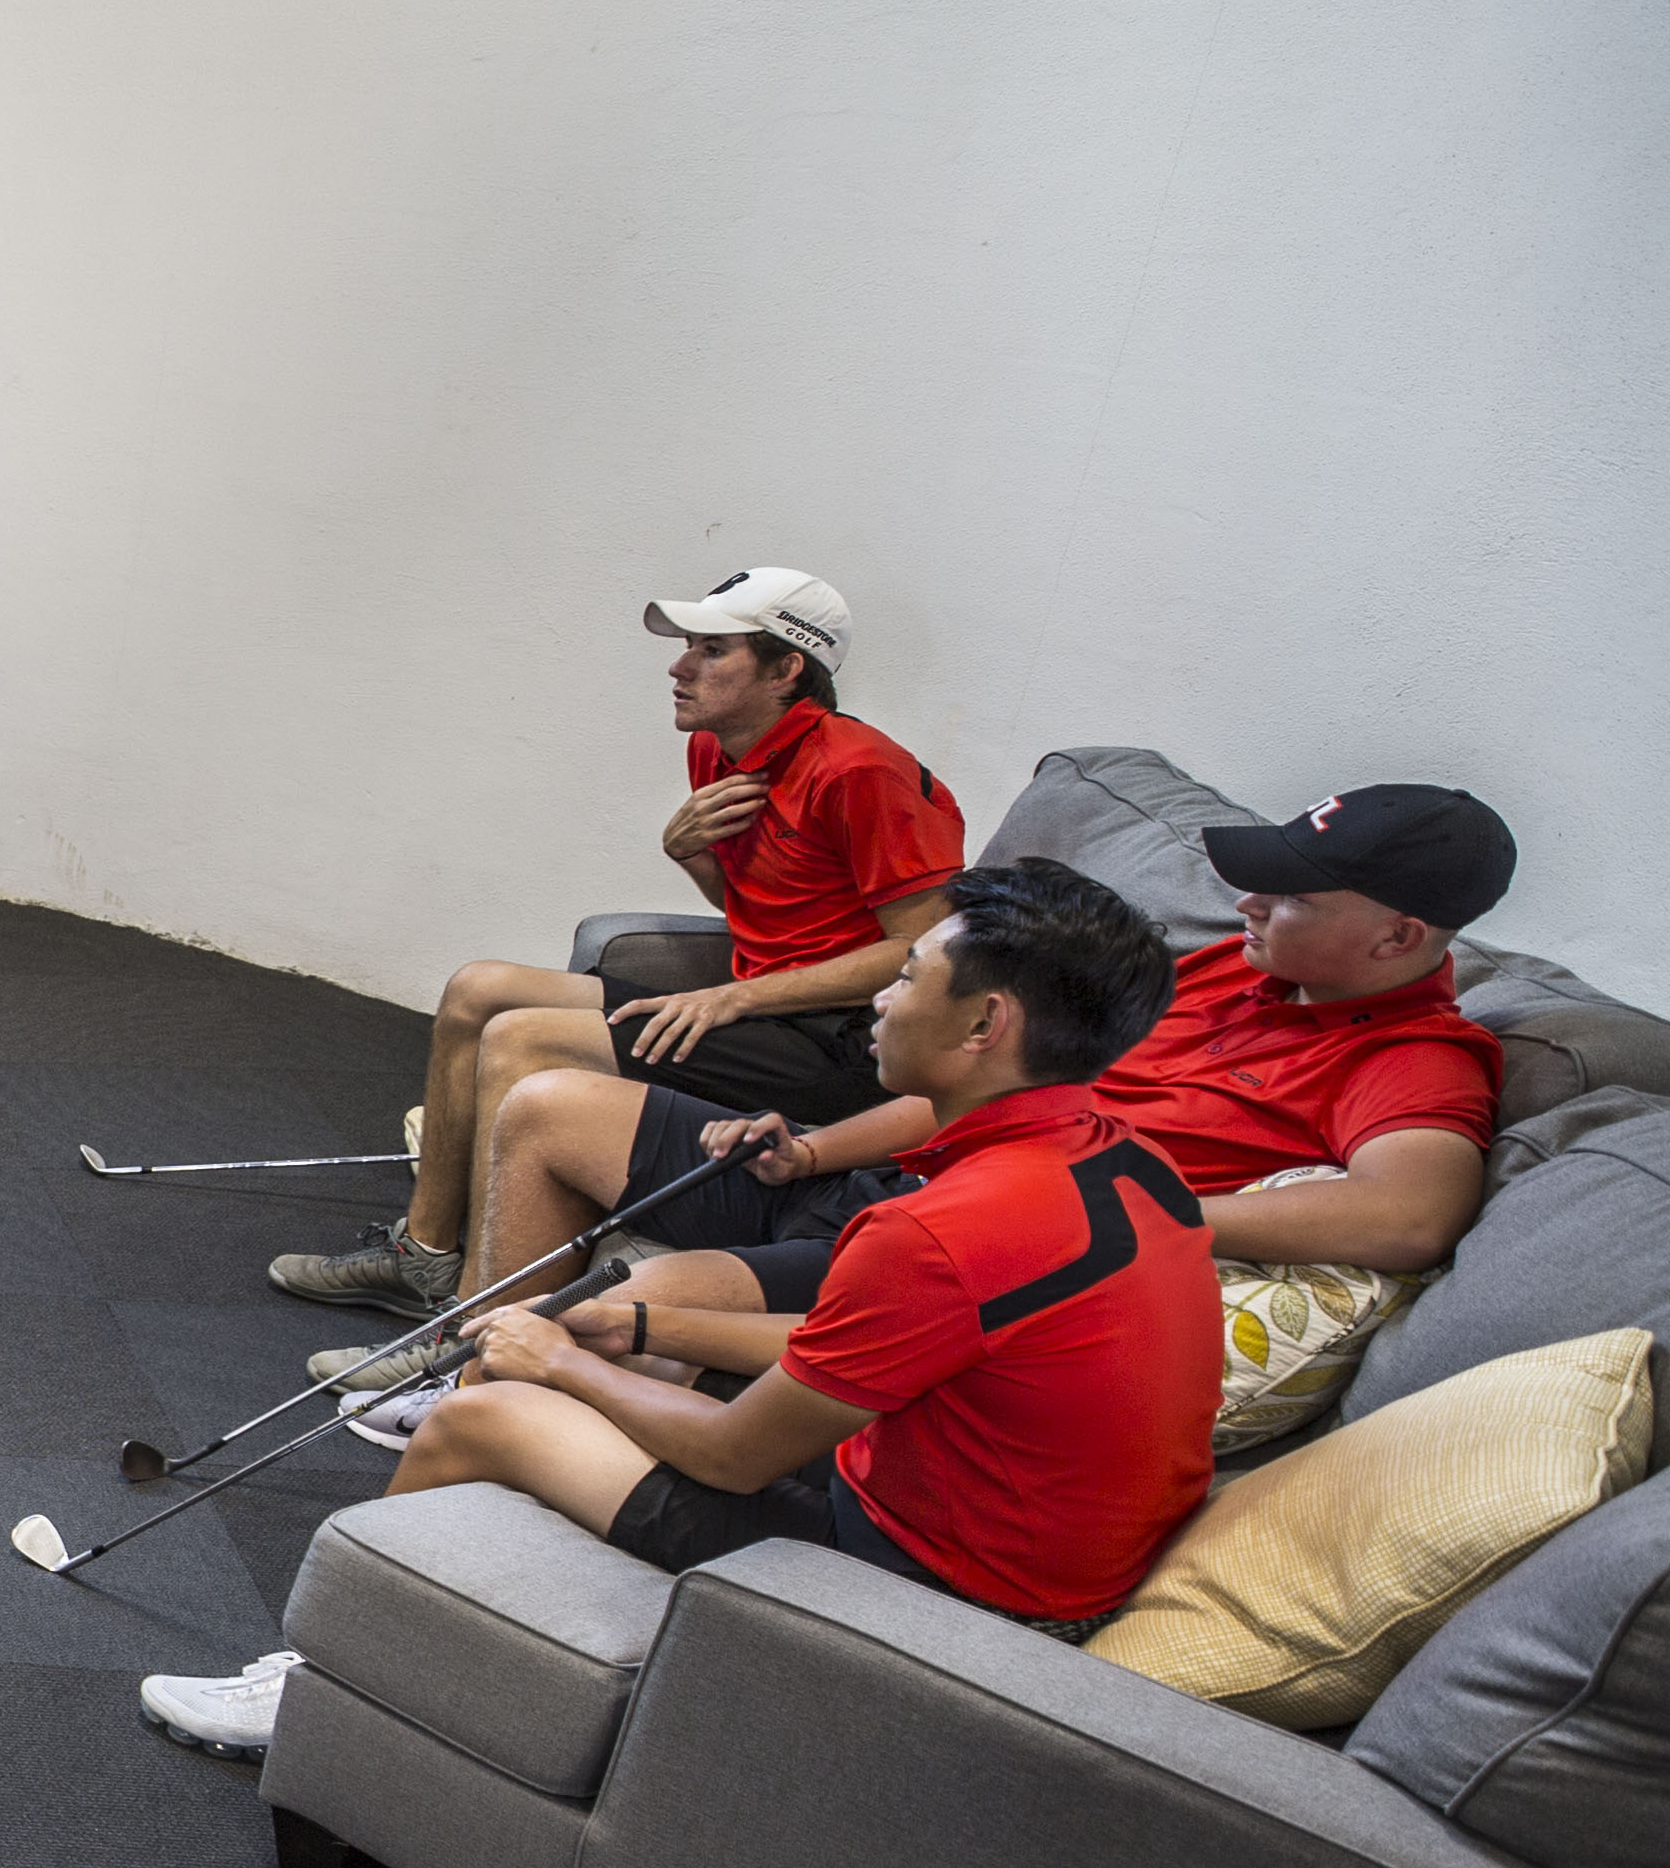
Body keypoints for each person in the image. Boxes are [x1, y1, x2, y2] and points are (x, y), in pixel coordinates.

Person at [145, 860, 1221, 1758]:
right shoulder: (1125, 1163)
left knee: (483, 1414)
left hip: (937, 1594)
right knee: (639, 1349)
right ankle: (467, 1625)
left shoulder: (937, 1231)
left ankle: (316, 1693)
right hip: (1011, 1537)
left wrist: (555, 1361)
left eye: (906, 976)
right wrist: (639, 1327)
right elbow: (884, 1353)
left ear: (986, 1022)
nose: (883, 1001)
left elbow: (735, 1459)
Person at [444, 782, 1517, 1349]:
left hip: (955, 1243)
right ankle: (454, 1343)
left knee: (659, 1298)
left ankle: (480, 1390)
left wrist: (1143, 1211)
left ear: (1397, 936)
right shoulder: (1223, 971)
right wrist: (810, 1151)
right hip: (874, 1178)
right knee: (547, 1104)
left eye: (1291, 898)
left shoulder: (1419, 1058)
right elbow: (987, 1084)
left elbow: (1408, 1217)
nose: (1249, 903)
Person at [277, 567, 962, 1319]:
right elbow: (763, 907)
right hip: (760, 1009)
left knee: (523, 1038)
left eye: (711, 650)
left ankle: (481, 1315)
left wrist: (732, 998)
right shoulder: (717, 748)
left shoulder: (865, 771)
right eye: (688, 646)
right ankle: (427, 1256)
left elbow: (920, 951)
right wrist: (690, 854)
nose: (679, 667)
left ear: (785, 670)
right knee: (479, 988)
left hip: (841, 1041)